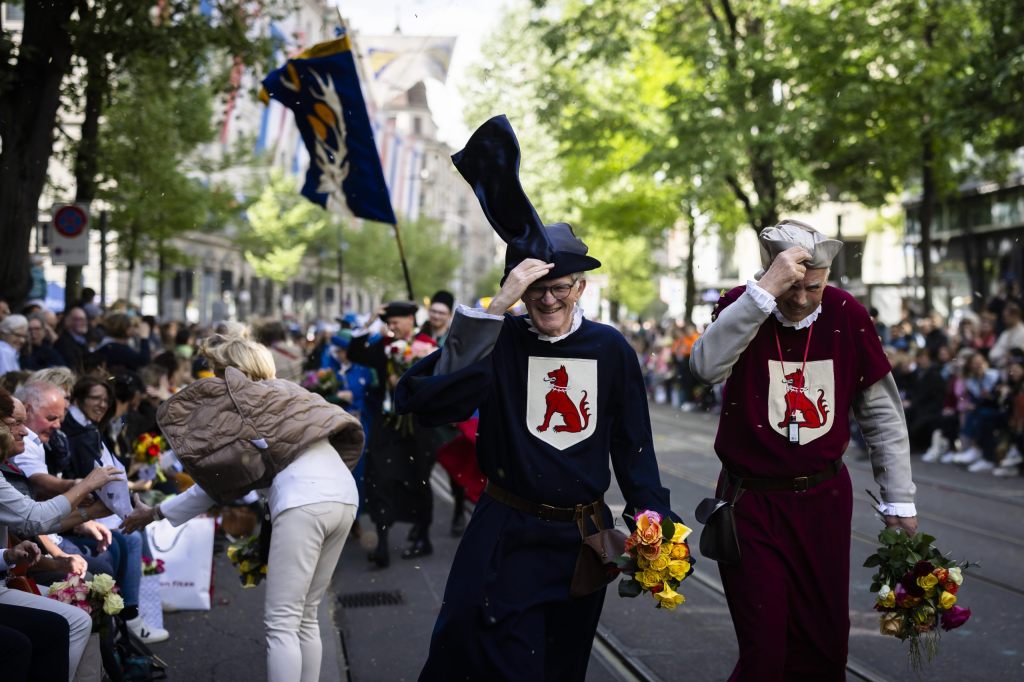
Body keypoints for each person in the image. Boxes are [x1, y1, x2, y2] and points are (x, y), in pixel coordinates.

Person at [396, 115, 678, 681]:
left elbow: (634, 447)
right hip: (508, 533)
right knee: (490, 661)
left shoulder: (611, 349)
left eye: (559, 288)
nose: (547, 301)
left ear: (580, 288)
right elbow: (424, 399)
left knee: (563, 668)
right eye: (535, 290)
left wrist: (654, 521)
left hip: (582, 538)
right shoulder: (500, 340)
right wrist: (499, 307)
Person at [689, 219, 917, 681]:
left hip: (823, 502)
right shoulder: (742, 306)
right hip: (749, 502)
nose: (799, 298)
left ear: (827, 277)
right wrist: (763, 292)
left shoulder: (846, 313)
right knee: (765, 650)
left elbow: (881, 413)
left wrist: (899, 497)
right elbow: (705, 367)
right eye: (790, 286)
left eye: (811, 287)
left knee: (825, 644)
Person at [121, 335, 363, 682]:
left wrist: (157, 512)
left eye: (218, 372)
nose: (214, 380)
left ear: (232, 373)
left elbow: (220, 480)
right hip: (343, 492)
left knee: (281, 622)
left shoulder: (241, 406)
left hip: (303, 500)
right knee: (307, 615)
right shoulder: (290, 392)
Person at [1, 387, 124, 680]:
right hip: (9, 582)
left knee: (88, 604)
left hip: (10, 576)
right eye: (16, 423)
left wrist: (91, 513)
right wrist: (85, 486)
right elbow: (34, 518)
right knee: (72, 619)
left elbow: (30, 523)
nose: (26, 432)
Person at [347, 301, 440, 566]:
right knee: (380, 478)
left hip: (418, 426)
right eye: (388, 323)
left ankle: (423, 536)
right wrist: (367, 322)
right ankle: (382, 543)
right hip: (388, 424)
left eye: (396, 322)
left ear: (410, 319)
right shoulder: (385, 347)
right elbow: (356, 353)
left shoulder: (427, 345)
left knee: (418, 479)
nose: (391, 327)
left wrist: (407, 383)